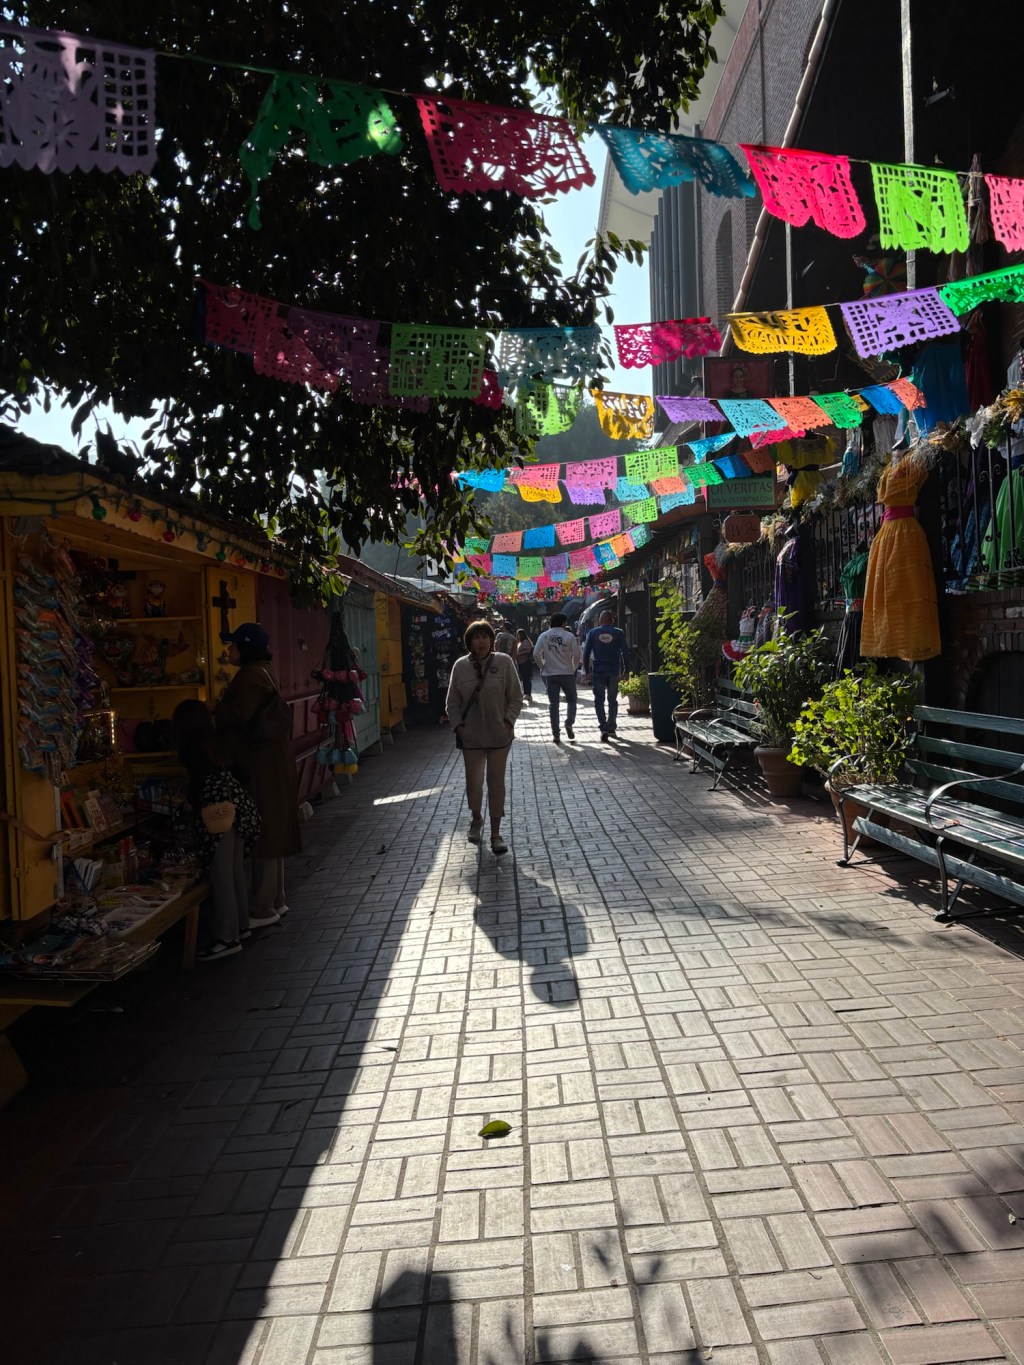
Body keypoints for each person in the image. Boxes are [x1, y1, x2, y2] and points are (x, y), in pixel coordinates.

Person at [215, 623, 301, 922]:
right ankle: (275, 898)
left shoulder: (250, 677)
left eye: (233, 646)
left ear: (245, 649)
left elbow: (235, 716)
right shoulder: (264, 671)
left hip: (261, 765)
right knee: (273, 830)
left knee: (264, 833)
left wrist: (215, 708)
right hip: (272, 762)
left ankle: (263, 905)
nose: (228, 651)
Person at [172, 699, 265, 961]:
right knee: (235, 869)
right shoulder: (218, 740)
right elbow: (241, 772)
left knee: (221, 873)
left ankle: (227, 937)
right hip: (236, 807)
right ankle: (241, 926)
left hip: (215, 814)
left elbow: (198, 780)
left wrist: (189, 799)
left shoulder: (191, 746)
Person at [445, 620, 522, 855]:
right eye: (476, 637)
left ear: (492, 640)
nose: (481, 641)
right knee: (474, 784)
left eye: (485, 637)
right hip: (472, 738)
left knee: (496, 783)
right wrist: (459, 728)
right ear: (469, 641)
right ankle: (476, 817)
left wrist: (507, 722)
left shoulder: (504, 662)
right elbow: (452, 703)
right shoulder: (460, 666)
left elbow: (516, 697)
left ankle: (496, 833)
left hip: (499, 736)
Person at [533, 611, 583, 744]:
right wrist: (573, 668)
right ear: (563, 623)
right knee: (572, 700)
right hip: (567, 673)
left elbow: (536, 654)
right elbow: (577, 655)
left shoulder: (544, 636)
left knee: (553, 704)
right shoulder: (569, 636)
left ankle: (556, 734)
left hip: (550, 675)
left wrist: (543, 666)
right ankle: (569, 722)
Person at [583, 610, 630, 741]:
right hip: (614, 670)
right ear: (612, 620)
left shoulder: (592, 633)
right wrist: (626, 670)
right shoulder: (618, 633)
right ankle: (611, 726)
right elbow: (625, 652)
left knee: (599, 700)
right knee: (612, 700)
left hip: (598, 670)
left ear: (600, 620)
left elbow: (586, 653)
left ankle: (603, 727)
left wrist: (587, 671)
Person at [514, 628, 534, 702]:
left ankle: (528, 694)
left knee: (526, 678)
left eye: (518, 635)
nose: (517, 636)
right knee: (524, 678)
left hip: (525, 662)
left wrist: (519, 654)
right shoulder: (520, 642)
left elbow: (527, 650)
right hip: (520, 662)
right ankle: (525, 693)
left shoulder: (525, 642)